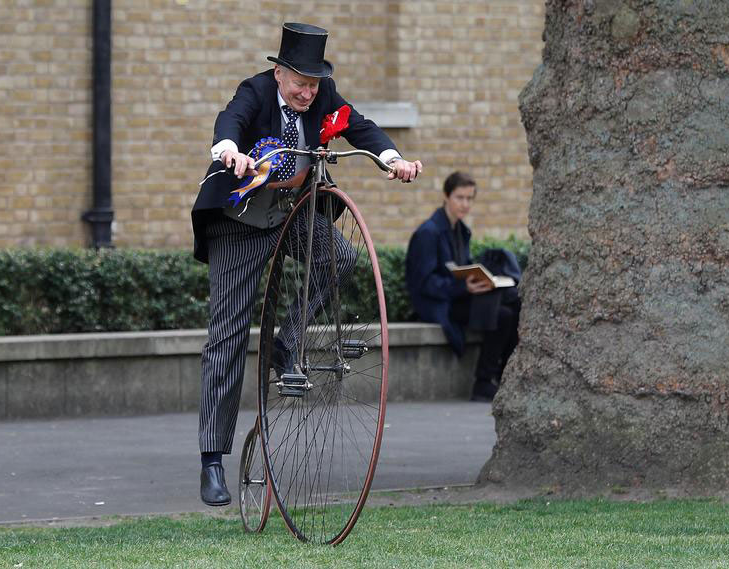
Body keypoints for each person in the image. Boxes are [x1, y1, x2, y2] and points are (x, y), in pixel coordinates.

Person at [190, 22, 422, 507]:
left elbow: (359, 126)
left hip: (290, 212)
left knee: (340, 256)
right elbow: (230, 120)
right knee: (228, 333)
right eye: (300, 83)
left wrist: (392, 158)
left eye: (314, 83)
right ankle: (213, 458)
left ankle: (288, 339)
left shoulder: (323, 97)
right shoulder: (254, 92)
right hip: (240, 215)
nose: (307, 93)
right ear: (279, 73)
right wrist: (227, 149)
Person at [405, 172, 520, 403]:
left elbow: (461, 269)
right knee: (501, 315)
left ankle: (503, 377)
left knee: (514, 303)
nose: (465, 204)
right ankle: (483, 383)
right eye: (460, 197)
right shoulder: (428, 233)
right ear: (446, 196)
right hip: (437, 304)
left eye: (469, 198)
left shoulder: (460, 230)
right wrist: (463, 287)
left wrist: (478, 281)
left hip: (455, 297)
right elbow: (424, 284)